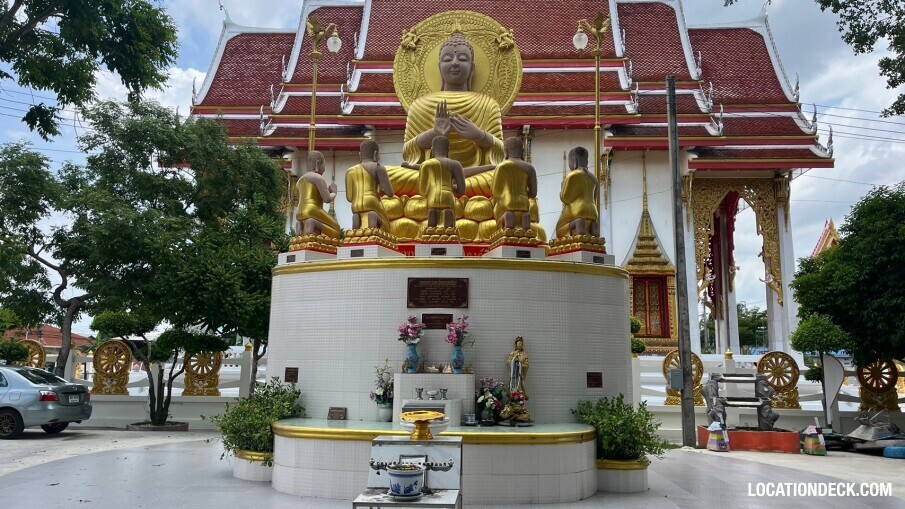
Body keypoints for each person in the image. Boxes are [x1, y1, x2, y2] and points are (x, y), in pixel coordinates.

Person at [346, 140, 395, 231]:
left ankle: (356, 221)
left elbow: (349, 197)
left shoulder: (350, 171)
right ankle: (374, 217)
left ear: (360, 155)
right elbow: (390, 193)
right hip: (372, 203)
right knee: (387, 227)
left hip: (355, 206)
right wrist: (380, 189)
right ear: (375, 154)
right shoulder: (378, 167)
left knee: (356, 223)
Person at [418, 135, 466, 229]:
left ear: (431, 150)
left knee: (431, 224)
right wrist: (450, 187)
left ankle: (431, 232)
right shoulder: (455, 164)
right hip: (448, 197)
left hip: (432, 198)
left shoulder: (425, 165)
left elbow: (422, 191)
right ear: (448, 150)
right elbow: (462, 190)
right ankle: (449, 233)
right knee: (449, 227)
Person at [491, 138, 537, 230]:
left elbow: (495, 192)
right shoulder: (530, 168)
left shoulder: (501, 166)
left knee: (503, 218)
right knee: (526, 225)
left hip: (507, 203)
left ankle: (507, 223)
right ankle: (526, 228)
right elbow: (533, 193)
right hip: (524, 203)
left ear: (506, 151)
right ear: (522, 151)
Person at [555, 146, 600, 238]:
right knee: (593, 234)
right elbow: (595, 198)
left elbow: (565, 198)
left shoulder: (572, 175)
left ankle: (578, 223)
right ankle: (594, 229)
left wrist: (562, 186)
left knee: (559, 231)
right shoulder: (594, 178)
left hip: (577, 211)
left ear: (574, 159)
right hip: (593, 211)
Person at [296, 151, 341, 238]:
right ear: (317, 164)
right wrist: (334, 193)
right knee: (337, 230)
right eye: (324, 165)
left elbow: (309, 197)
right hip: (312, 210)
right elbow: (327, 199)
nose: (324, 169)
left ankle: (300, 227)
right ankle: (313, 222)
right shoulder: (318, 178)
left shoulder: (299, 181)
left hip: (299, 212)